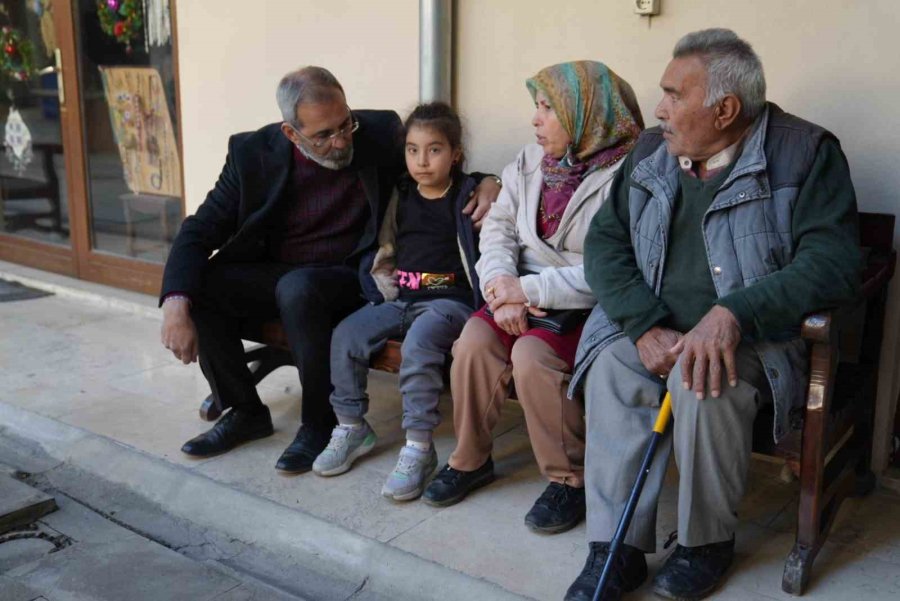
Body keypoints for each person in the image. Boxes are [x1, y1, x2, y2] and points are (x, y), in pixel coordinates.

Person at [564, 29, 861, 601]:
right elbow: (606, 243)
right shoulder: (651, 151)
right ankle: (616, 547)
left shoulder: (806, 154)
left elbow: (833, 263)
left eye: (675, 95)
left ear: (725, 110)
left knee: (702, 379)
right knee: (613, 367)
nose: (659, 109)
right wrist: (642, 324)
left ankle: (705, 544)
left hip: (752, 339)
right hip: (652, 323)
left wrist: (734, 313)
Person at [159, 67, 499, 474]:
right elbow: (199, 229)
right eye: (324, 135)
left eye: (345, 124)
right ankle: (244, 410)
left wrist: (489, 181)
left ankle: (319, 424)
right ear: (291, 133)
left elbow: (438, 170)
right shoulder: (251, 154)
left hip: (347, 275)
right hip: (280, 271)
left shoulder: (378, 132)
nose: (341, 141)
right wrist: (175, 303)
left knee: (299, 289)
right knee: (206, 283)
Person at [421, 61, 644, 535]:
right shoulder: (527, 161)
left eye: (549, 109)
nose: (535, 120)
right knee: (475, 342)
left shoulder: (631, 175)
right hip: (516, 289)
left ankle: (571, 479)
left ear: (588, 114)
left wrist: (529, 289)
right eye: (536, 107)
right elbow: (498, 229)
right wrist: (501, 288)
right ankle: (470, 460)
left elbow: (619, 267)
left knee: (532, 356)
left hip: (584, 301)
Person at [311, 102, 483, 501]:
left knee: (420, 346)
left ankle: (420, 448)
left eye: (435, 149)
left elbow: (492, 205)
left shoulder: (468, 196)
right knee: (346, 335)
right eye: (412, 149)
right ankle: (352, 426)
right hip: (401, 297)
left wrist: (488, 182)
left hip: (449, 303)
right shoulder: (401, 192)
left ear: (455, 153)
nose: (422, 161)